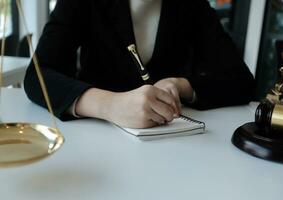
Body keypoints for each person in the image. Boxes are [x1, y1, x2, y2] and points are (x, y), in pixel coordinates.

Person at [24, 0, 255, 128]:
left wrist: (181, 85)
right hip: (93, 138)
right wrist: (110, 105)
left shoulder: (192, 4)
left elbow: (242, 81)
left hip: (174, 146)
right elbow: (37, 75)